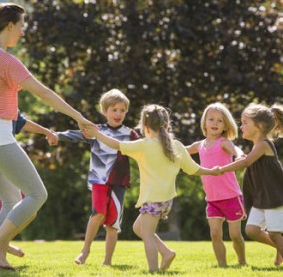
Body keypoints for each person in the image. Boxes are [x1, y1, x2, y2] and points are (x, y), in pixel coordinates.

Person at [0, 2, 91, 270]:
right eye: (21, 26)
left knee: (11, 199)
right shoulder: (4, 60)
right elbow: (43, 93)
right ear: (9, 25)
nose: (22, 32)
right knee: (37, 194)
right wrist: (78, 117)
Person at [84, 104, 219, 272]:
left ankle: (153, 270)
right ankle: (166, 252)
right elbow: (194, 169)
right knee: (138, 228)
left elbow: (116, 145)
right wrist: (212, 172)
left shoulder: (144, 145)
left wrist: (97, 133)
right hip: (166, 200)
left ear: (145, 126)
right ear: (166, 125)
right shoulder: (176, 145)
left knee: (147, 235)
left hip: (153, 200)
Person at [56, 88, 139, 266]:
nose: (118, 114)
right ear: (105, 111)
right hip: (99, 181)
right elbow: (75, 135)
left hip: (119, 183)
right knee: (98, 214)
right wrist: (55, 135)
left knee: (113, 225)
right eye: (114, 110)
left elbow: (145, 148)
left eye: (122, 110)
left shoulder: (130, 134)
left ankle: (107, 262)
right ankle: (85, 251)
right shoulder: (95, 130)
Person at [218, 103, 283, 266]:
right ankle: (280, 248)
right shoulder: (257, 146)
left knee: (275, 233)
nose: (241, 126)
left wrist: (219, 170)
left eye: (245, 122)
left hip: (274, 197)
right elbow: (247, 159)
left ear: (259, 126)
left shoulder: (264, 144)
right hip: (262, 198)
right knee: (251, 230)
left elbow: (246, 162)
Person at [185, 102, 247, 267]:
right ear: (204, 122)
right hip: (212, 199)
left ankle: (242, 262)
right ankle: (222, 266)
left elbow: (236, 150)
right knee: (215, 233)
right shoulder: (199, 145)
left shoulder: (223, 143)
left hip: (232, 197)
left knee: (235, 234)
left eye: (220, 120)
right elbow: (181, 150)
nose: (215, 123)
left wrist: (240, 155)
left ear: (225, 124)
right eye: (211, 119)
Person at [0, 111, 58, 240]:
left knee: (19, 205)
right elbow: (44, 92)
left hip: (3, 159)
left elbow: (20, 121)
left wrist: (46, 131)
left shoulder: (5, 100)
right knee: (33, 196)